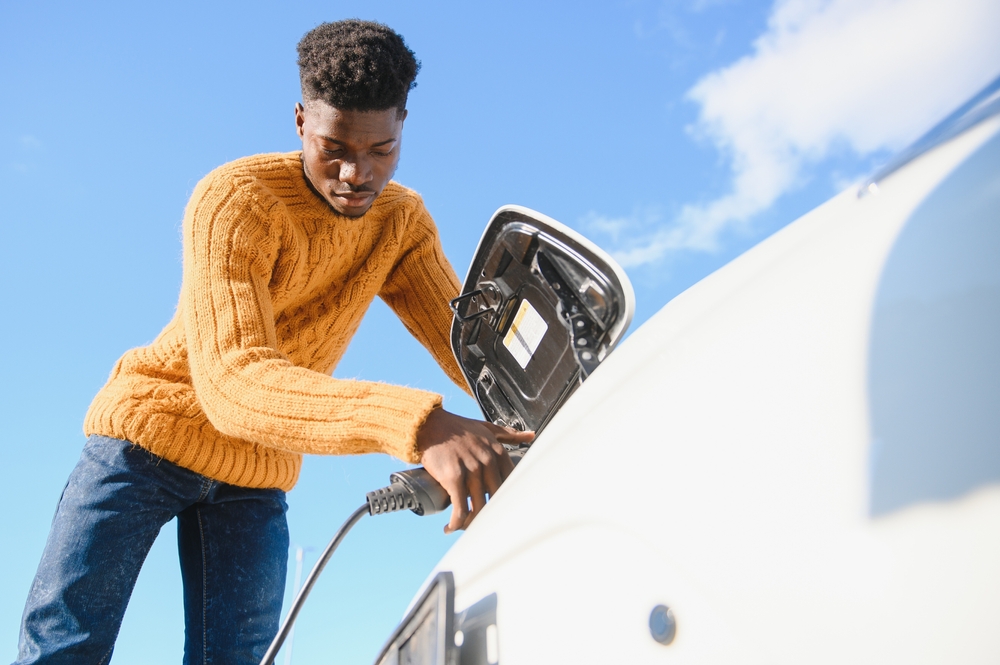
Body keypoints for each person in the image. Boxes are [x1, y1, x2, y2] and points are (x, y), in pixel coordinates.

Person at [13, 19, 533, 665]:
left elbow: (471, 349)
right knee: (65, 644)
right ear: (299, 122)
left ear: (403, 125)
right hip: (145, 439)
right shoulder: (238, 197)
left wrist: (555, 403)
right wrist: (419, 424)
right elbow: (233, 380)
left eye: (382, 149)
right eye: (333, 146)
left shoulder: (401, 221)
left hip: (255, 473)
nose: (356, 172)